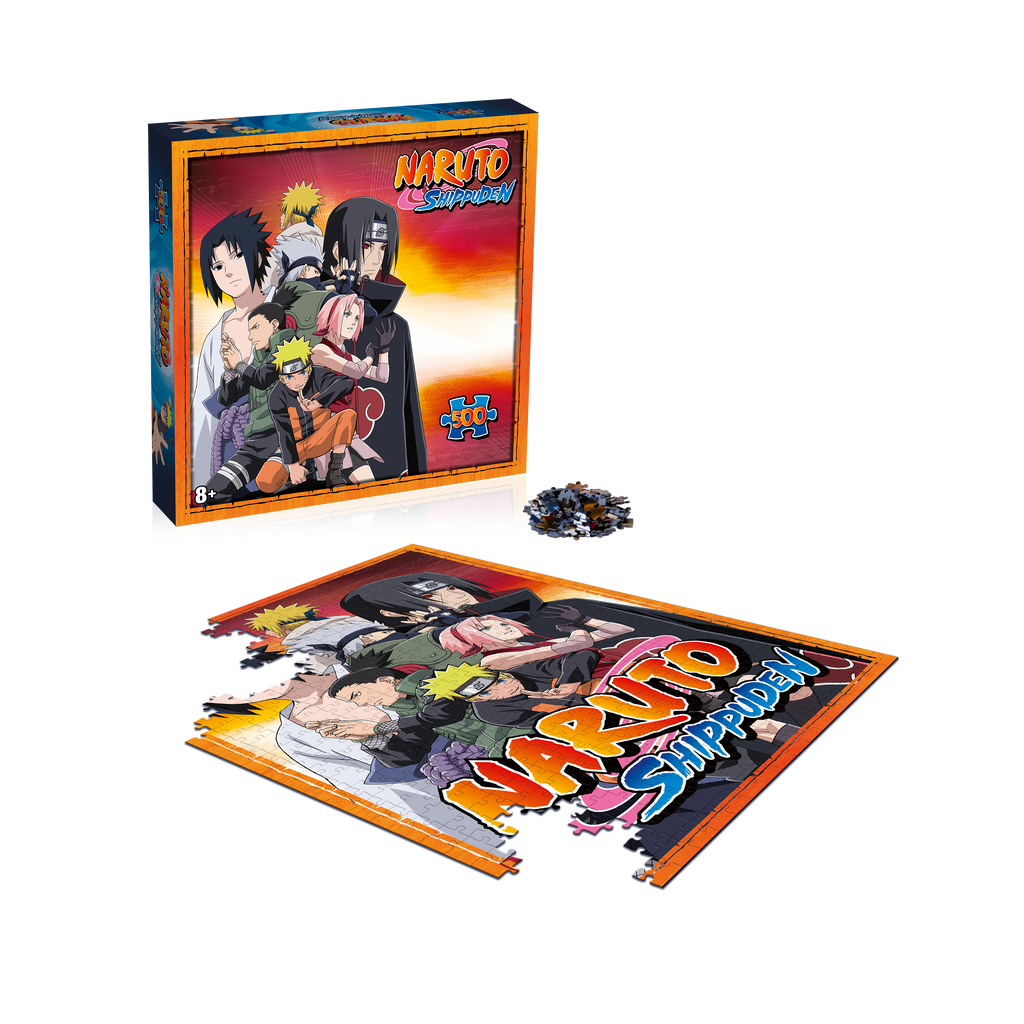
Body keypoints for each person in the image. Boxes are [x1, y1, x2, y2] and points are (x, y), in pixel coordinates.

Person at [190, 209, 273, 487]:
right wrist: (200, 487)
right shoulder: (215, 338)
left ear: (257, 258)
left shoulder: (284, 307)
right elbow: (203, 417)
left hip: (280, 442)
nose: (228, 272)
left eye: (237, 256)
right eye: (217, 266)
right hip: (230, 449)